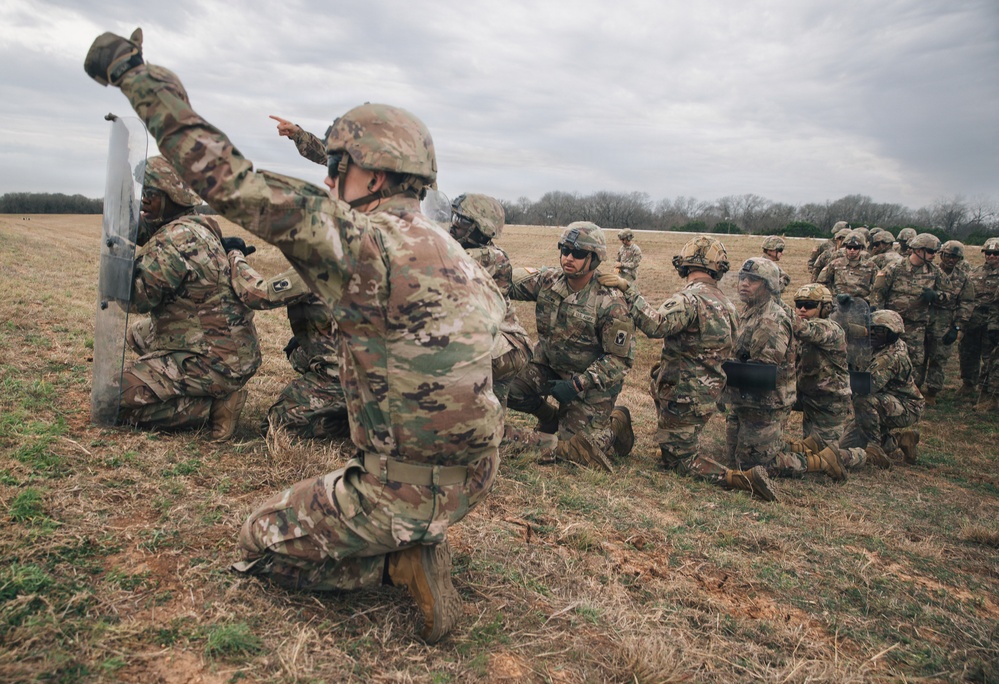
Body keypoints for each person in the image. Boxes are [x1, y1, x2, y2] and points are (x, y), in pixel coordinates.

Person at [85, 29, 507, 642]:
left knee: (259, 542)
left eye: (337, 167)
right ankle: (408, 531)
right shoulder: (454, 250)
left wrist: (133, 75)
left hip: (401, 489)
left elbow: (230, 181)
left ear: (370, 175)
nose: (331, 182)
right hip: (476, 474)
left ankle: (398, 560)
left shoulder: (363, 242)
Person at [600, 237, 777, 497]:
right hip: (706, 392)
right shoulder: (727, 305)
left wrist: (629, 290)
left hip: (684, 394)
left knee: (679, 461)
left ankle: (741, 479)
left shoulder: (689, 300)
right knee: (672, 445)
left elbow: (655, 325)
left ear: (683, 265)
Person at [118, 156, 261, 440]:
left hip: (217, 361)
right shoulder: (198, 224)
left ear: (173, 196)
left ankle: (213, 406)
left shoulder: (175, 239)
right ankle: (176, 382)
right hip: (232, 348)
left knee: (114, 398)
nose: (144, 200)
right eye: (143, 193)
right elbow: (149, 230)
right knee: (138, 336)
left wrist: (115, 265)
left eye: (152, 195)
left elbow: (135, 299)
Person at [507, 222, 636, 472]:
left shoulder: (610, 301)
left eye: (577, 253)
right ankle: (549, 417)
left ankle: (616, 421)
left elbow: (620, 360)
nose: (568, 257)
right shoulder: (548, 281)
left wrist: (578, 384)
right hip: (550, 366)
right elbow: (507, 282)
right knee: (507, 386)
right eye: (564, 250)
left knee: (576, 450)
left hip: (591, 383)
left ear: (594, 258)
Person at [726, 259, 845, 488]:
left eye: (753, 280)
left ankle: (820, 461)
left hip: (765, 401)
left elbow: (760, 372)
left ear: (767, 285)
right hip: (744, 398)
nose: (744, 284)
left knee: (754, 466)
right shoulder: (749, 311)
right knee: (734, 457)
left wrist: (716, 376)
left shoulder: (772, 318)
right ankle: (797, 446)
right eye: (743, 278)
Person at [447, 193, 541, 448]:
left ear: (481, 227)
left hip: (504, 348)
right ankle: (551, 442)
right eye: (454, 216)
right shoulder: (458, 248)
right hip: (497, 346)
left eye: (462, 220)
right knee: (488, 431)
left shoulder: (490, 258)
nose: (454, 223)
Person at [226, 250, 350, 438]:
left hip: (344, 374)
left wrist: (235, 257)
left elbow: (258, 294)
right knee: (298, 354)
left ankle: (350, 423)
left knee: (277, 426)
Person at [835, 310, 924, 467]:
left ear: (893, 333)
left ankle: (875, 449)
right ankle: (900, 440)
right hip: (884, 399)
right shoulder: (884, 344)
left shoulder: (891, 357)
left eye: (881, 330)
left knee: (863, 399)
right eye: (872, 329)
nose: (874, 333)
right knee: (845, 446)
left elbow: (866, 386)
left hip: (906, 406)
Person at [873, 233, 951, 391]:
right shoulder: (894, 268)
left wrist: (937, 296)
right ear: (918, 250)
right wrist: (879, 320)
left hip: (917, 325)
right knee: (885, 357)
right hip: (891, 325)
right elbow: (878, 293)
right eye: (930, 251)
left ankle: (910, 391)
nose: (933, 255)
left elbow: (948, 296)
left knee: (915, 360)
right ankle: (884, 388)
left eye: (935, 252)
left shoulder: (935, 272)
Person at [789, 284, 852, 448]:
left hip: (829, 400)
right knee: (809, 450)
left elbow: (805, 330)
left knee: (827, 456)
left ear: (825, 308)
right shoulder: (801, 328)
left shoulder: (829, 328)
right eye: (798, 305)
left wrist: (775, 303)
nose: (802, 309)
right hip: (809, 395)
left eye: (809, 305)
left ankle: (862, 455)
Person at [924, 240, 975, 405]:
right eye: (948, 256)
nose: (951, 260)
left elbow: (966, 303)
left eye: (955, 257)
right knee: (918, 356)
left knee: (939, 358)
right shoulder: (928, 271)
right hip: (923, 318)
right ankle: (914, 388)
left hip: (946, 321)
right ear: (941, 255)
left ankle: (932, 392)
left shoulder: (963, 278)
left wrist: (958, 327)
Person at [959, 238, 999, 407]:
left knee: (991, 358)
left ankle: (989, 393)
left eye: (995, 254)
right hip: (973, 320)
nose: (991, 256)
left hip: (993, 322)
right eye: (988, 253)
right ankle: (968, 384)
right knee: (968, 353)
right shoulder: (974, 272)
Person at [817, 230, 877, 304]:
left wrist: (870, 300)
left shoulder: (871, 266)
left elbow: (878, 287)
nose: (852, 250)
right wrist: (830, 297)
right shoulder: (834, 264)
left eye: (855, 248)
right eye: (849, 247)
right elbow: (821, 282)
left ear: (861, 248)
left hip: (861, 304)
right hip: (838, 303)